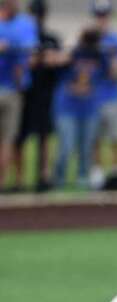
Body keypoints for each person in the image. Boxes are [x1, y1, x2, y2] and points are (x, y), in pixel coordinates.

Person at [12, 0, 60, 192]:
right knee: (19, 138)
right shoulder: (22, 37)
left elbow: (58, 63)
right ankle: (19, 180)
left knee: (44, 138)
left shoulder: (50, 38)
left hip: (44, 95)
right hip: (24, 94)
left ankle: (43, 176)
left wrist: (49, 58)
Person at [52, 26, 107, 189]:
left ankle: (82, 178)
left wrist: (89, 88)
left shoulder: (99, 55)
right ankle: (59, 179)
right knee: (67, 145)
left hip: (89, 108)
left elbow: (104, 75)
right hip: (67, 107)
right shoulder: (72, 53)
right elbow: (59, 69)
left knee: (86, 147)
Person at [0, 0, 34, 190]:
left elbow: (28, 55)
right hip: (11, 89)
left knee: (9, 139)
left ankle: (3, 181)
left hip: (13, 91)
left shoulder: (24, 25)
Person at [90, 0, 117, 179]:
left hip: (111, 96)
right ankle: (97, 173)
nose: (101, 20)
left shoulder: (116, 40)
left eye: (104, 15)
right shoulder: (89, 39)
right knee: (94, 138)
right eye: (98, 15)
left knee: (115, 137)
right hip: (93, 96)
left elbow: (115, 74)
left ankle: (116, 172)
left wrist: (109, 54)